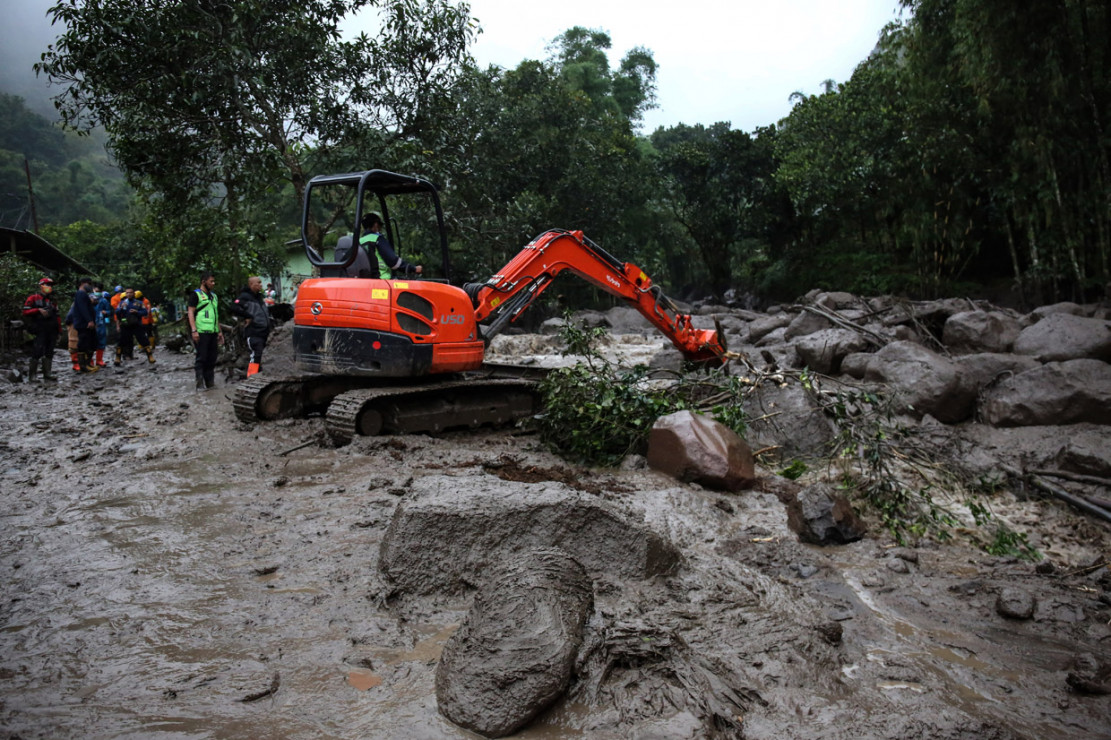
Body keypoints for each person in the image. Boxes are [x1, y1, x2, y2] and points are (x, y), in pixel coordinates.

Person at [187, 271, 223, 390]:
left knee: (212, 358)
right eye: (211, 281)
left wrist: (219, 331)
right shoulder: (195, 295)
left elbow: (216, 315)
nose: (213, 283)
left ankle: (210, 383)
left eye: (214, 281)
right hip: (201, 331)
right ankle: (200, 384)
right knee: (201, 357)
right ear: (203, 282)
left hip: (213, 331)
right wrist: (194, 330)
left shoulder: (214, 296)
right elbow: (191, 312)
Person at [231, 276, 272, 377]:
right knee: (257, 354)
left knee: (263, 356)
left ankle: (260, 377)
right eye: (258, 283)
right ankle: (251, 377)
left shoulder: (259, 297)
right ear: (251, 285)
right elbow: (233, 307)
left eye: (261, 282)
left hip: (264, 332)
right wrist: (248, 316)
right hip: (254, 333)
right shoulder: (245, 297)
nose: (260, 285)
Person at [359, 213, 422, 279]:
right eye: (380, 225)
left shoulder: (359, 241)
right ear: (376, 224)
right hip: (382, 280)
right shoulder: (377, 239)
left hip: (366, 281)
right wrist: (412, 268)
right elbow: (393, 261)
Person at [21, 277, 61, 382]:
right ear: (41, 286)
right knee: (37, 351)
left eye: (51, 285)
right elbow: (25, 312)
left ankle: (47, 374)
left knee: (49, 351)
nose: (49, 287)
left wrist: (59, 331)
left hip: (52, 329)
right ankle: (32, 376)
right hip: (39, 329)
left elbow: (57, 316)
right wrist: (38, 310)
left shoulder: (53, 300)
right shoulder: (33, 298)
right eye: (47, 285)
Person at [115, 288, 154, 364]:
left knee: (143, 340)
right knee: (121, 341)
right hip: (125, 325)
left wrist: (137, 312)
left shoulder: (139, 303)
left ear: (133, 294)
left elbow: (145, 312)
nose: (129, 294)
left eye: (130, 293)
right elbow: (117, 313)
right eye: (127, 293)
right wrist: (121, 308)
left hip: (136, 324)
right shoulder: (122, 303)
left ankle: (150, 356)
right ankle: (118, 358)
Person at [71, 277, 98, 373]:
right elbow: (83, 309)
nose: (90, 286)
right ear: (83, 283)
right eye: (89, 284)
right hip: (83, 323)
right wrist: (89, 320)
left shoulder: (84, 295)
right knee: (83, 343)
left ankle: (88, 364)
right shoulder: (81, 294)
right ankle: (83, 366)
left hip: (86, 322)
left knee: (91, 343)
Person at [93, 289, 112, 368]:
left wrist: (106, 312)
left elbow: (109, 311)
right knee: (89, 342)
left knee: (101, 341)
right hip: (91, 323)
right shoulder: (88, 299)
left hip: (101, 323)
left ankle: (99, 360)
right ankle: (89, 361)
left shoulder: (104, 301)